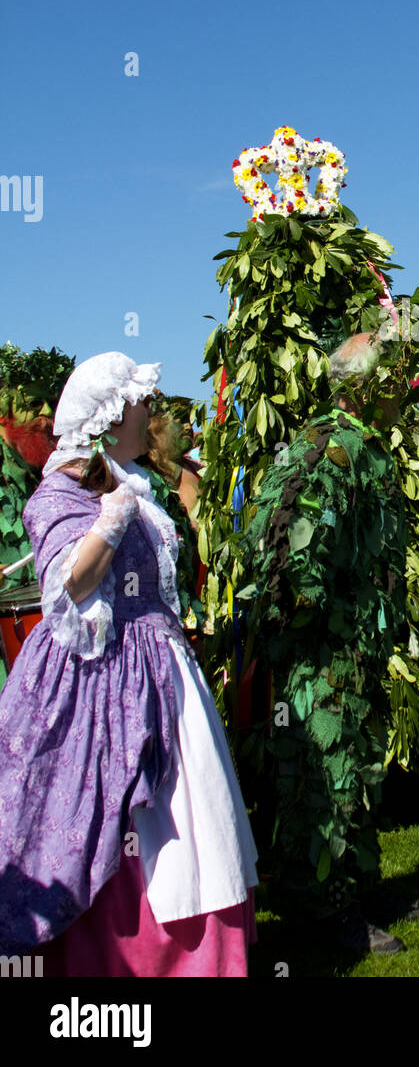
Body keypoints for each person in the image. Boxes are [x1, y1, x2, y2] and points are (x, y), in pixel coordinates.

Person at [0, 352, 258, 974]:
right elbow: (71, 585)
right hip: (101, 677)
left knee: (190, 818)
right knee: (105, 807)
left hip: (161, 665)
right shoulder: (62, 489)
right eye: (143, 403)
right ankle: (119, 962)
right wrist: (112, 517)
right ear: (112, 417)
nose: (153, 414)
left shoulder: (134, 480)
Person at [245, 331, 414, 954]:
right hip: (322, 655)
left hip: (353, 647)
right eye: (396, 382)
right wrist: (319, 629)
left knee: (356, 772)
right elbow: (293, 556)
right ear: (371, 390)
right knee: (322, 780)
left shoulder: (363, 448)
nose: (407, 394)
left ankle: (355, 888)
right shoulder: (330, 449)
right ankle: (322, 911)